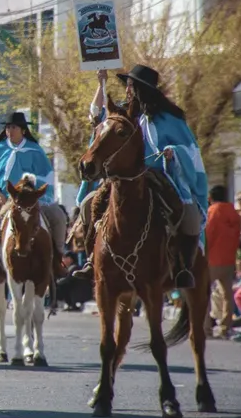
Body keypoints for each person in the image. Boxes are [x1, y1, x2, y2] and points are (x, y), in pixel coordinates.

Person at [74, 65, 207, 289]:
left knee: (190, 214)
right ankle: (91, 259)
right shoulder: (122, 115)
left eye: (131, 86)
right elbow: (96, 118)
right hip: (121, 178)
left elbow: (190, 151)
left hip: (160, 175)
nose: (127, 90)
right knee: (88, 205)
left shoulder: (170, 119)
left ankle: (183, 266)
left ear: (143, 90)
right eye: (127, 85)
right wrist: (100, 84)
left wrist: (174, 152)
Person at [0, 111, 68, 283]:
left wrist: (32, 187)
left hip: (31, 199)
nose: (9, 131)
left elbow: (47, 177)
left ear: (23, 130)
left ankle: (57, 259)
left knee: (59, 217)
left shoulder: (35, 150)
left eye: (13, 127)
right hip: (1, 198)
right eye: (8, 127)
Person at [205, 184, 241, 338]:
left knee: (203, 293)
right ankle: (225, 327)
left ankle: (205, 328)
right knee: (227, 294)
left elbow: (208, 234)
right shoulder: (234, 213)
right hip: (229, 258)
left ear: (210, 197)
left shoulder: (213, 211)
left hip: (212, 259)